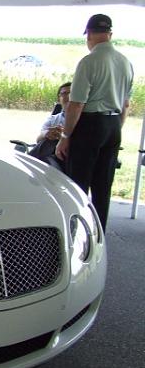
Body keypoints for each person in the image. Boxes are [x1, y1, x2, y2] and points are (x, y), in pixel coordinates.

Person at [55, 14, 133, 232]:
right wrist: (115, 128)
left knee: (78, 183)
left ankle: (77, 234)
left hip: (90, 124)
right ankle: (99, 234)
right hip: (113, 125)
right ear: (110, 34)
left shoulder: (89, 62)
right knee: (103, 186)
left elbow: (76, 104)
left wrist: (66, 136)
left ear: (88, 34)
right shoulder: (125, 62)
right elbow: (126, 104)